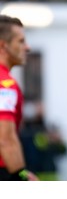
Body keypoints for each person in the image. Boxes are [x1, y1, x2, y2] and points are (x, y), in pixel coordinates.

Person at [0, 14, 39, 181]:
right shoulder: (5, 84)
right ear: (3, 46)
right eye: (21, 41)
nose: (28, 47)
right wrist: (21, 176)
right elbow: (5, 138)